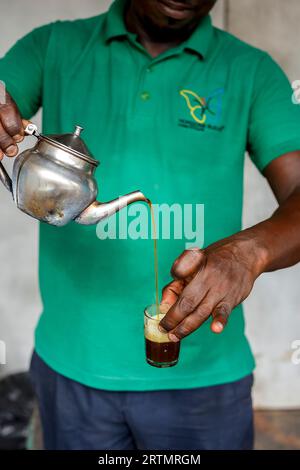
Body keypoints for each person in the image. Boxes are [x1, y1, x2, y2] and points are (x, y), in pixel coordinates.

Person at [0, 0, 300, 450]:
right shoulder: (54, 47)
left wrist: (248, 251)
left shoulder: (250, 70)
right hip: (74, 372)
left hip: (204, 383)